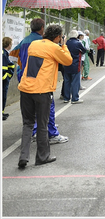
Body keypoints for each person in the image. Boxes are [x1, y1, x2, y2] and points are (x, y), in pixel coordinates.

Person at [17, 25, 73, 169]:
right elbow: (68, 61)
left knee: (28, 123)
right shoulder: (55, 48)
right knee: (42, 124)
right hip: (42, 91)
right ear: (57, 37)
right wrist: (64, 45)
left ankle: (23, 157)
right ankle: (42, 156)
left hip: (25, 88)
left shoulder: (34, 44)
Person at [10, 19, 68, 144]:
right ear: (42, 28)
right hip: (40, 81)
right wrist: (63, 44)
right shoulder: (42, 42)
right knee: (48, 107)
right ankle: (50, 132)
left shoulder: (24, 41)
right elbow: (66, 60)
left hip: (24, 77)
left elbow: (13, 55)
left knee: (30, 112)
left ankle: (34, 131)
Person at [64, 30, 86, 104]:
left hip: (66, 64)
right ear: (76, 35)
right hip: (75, 65)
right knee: (75, 82)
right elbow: (84, 50)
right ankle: (75, 98)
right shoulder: (78, 43)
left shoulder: (66, 43)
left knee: (67, 81)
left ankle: (66, 98)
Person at [2, 37, 15, 121]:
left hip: (4, 79)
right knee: (2, 96)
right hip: (3, 80)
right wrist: (6, 77)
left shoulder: (5, 53)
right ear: (9, 45)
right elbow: (3, 68)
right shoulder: (3, 53)